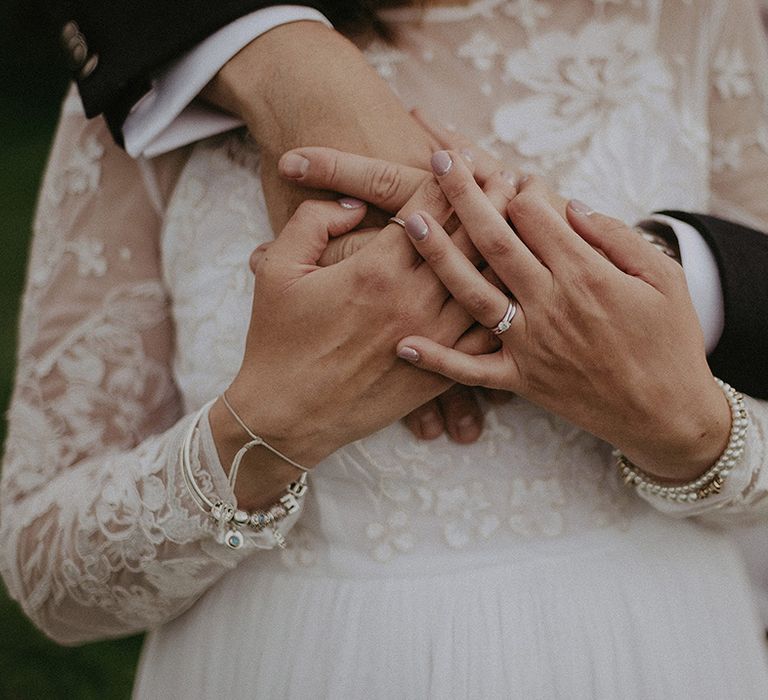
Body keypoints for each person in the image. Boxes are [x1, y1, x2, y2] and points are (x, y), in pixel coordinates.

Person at [2, 0, 768, 697]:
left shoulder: (696, 19)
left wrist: (691, 431)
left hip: (649, 657)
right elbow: (47, 579)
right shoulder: (153, 68)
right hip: (289, 666)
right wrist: (264, 433)